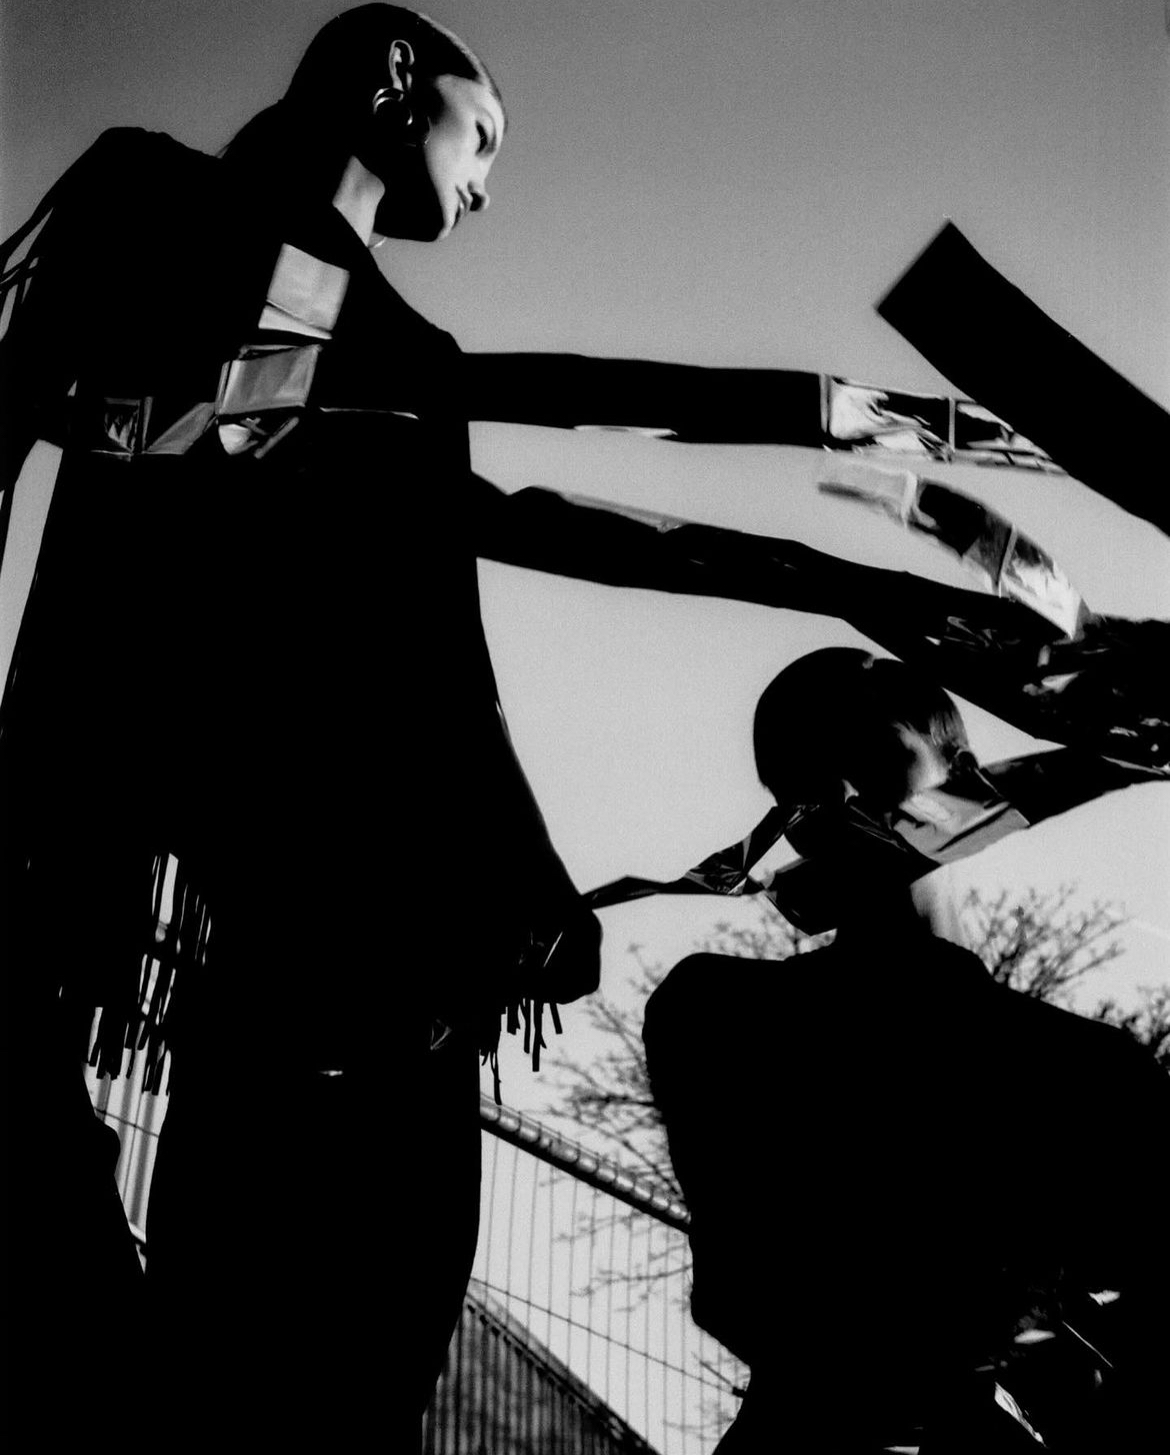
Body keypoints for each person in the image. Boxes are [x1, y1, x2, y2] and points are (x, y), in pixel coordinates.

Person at [0, 8, 602, 1446]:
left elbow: (424, 644)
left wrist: (517, 863)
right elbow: (393, 631)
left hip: (322, 910)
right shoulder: (217, 246)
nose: (486, 183)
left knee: (319, 1340)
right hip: (300, 904)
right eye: (482, 134)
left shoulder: (349, 318)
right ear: (395, 80)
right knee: (296, 1344)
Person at [642, 648, 1170, 1452]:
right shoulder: (721, 1017)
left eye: (865, 751)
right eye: (795, 781)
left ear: (967, 777)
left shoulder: (1093, 1071)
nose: (832, 792)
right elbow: (741, 1289)